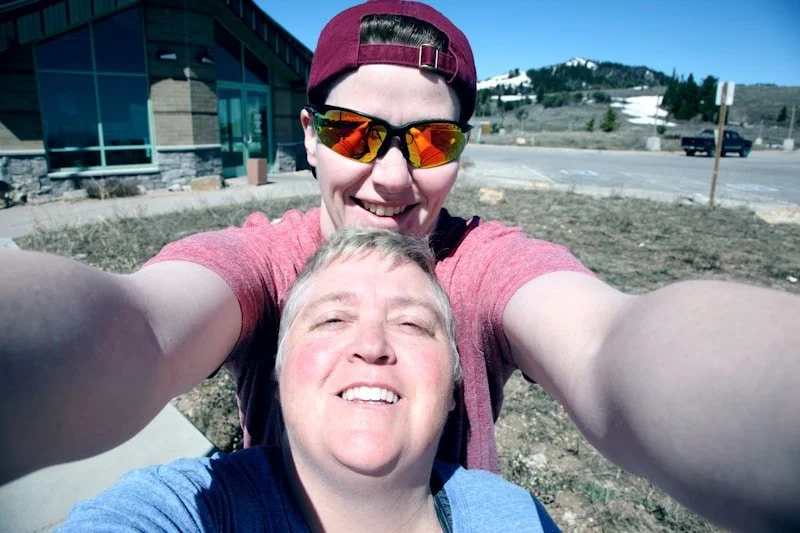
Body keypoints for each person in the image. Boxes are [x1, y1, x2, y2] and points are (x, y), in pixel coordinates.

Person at [1, 0, 798, 530]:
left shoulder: (482, 264)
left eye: (431, 141)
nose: (390, 178)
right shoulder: (263, 260)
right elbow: (141, 330)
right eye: (354, 133)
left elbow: (606, 348)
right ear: (310, 136)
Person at [57, 228, 559, 532]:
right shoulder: (198, 508)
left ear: (453, 387)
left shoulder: (514, 517)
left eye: (411, 323)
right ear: (278, 374)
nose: (372, 345)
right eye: (332, 319)